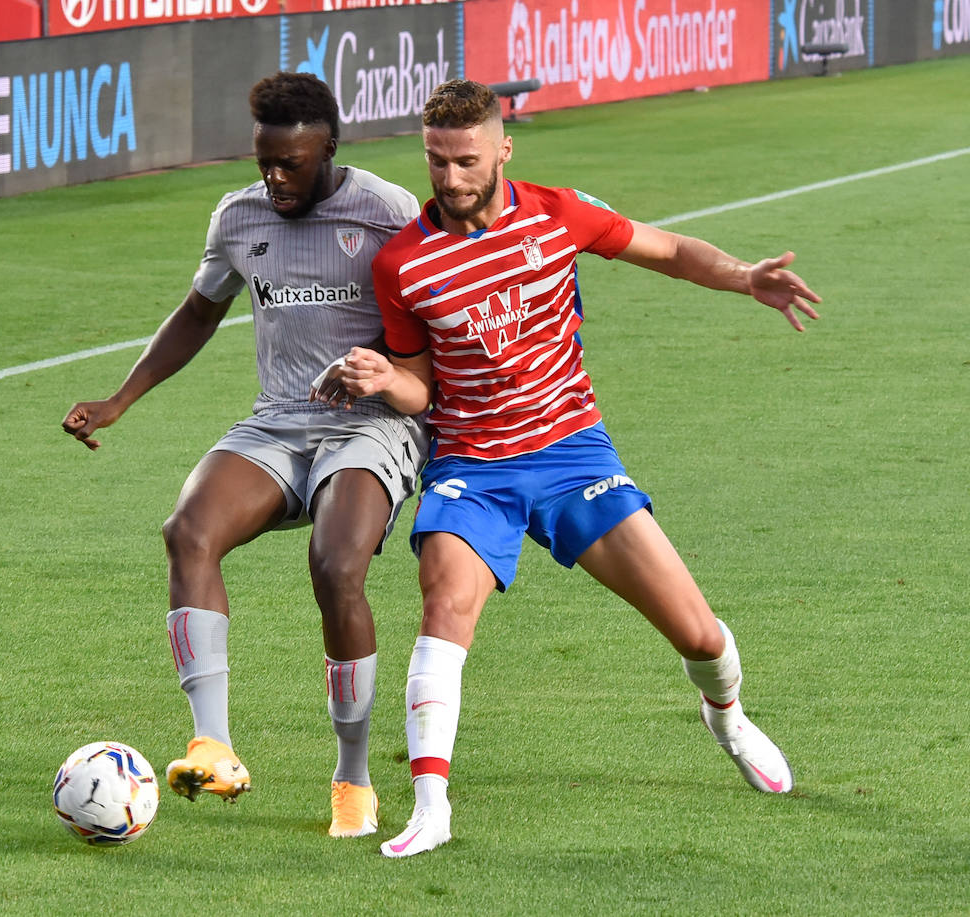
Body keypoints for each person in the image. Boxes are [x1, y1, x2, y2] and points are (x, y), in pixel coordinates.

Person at [314, 79, 820, 858]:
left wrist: (744, 276)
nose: (448, 179)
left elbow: (670, 249)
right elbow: (422, 384)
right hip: (474, 467)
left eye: (465, 161)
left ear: (504, 149)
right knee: (445, 601)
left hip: (571, 452)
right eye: (435, 161)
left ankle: (728, 716)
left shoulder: (555, 215)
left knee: (699, 635)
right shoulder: (403, 264)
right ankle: (431, 804)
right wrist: (388, 381)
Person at [61, 71, 426, 839]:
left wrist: (387, 376)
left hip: (371, 424)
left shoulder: (390, 214)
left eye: (290, 163)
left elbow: (430, 332)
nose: (274, 177)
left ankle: (352, 777)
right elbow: (199, 311)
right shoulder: (239, 217)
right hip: (277, 423)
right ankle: (212, 744)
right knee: (188, 530)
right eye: (264, 161)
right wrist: (121, 399)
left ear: (329, 148)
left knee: (336, 566)